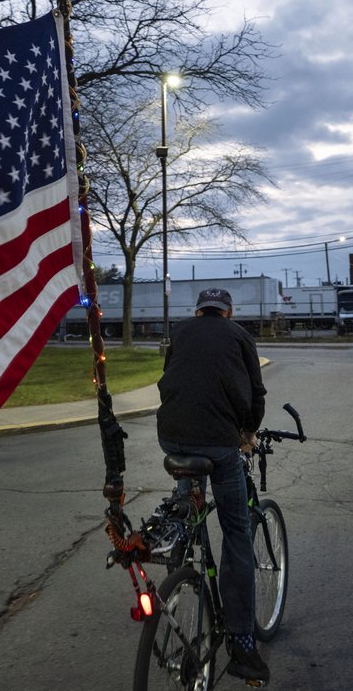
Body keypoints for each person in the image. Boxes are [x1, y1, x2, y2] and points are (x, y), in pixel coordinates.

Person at [155, 287, 269, 684]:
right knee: (237, 532)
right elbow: (255, 395)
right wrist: (248, 433)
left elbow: (170, 380)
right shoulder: (240, 336)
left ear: (199, 311)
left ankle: (178, 569)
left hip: (171, 438)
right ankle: (242, 643)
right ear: (228, 312)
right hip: (219, 445)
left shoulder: (181, 332)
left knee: (188, 505)